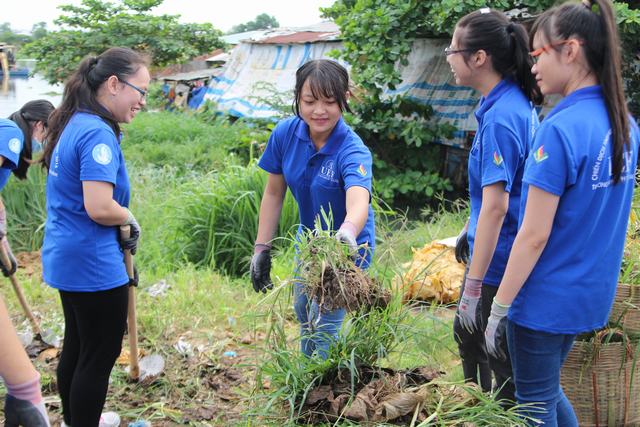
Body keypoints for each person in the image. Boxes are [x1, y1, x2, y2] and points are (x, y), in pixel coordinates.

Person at [484, 0, 639, 424]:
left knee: (532, 405)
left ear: (569, 50)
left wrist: (499, 307)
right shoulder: (624, 123)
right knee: (546, 392)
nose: (531, 65)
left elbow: (533, 236)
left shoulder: (559, 129)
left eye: (538, 54)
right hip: (589, 294)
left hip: (545, 300)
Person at [41, 47, 148, 427]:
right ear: (114, 84)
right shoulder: (97, 134)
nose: (142, 101)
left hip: (67, 253)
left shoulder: (74, 121)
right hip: (92, 262)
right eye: (141, 90)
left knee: (78, 346)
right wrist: (129, 217)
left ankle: (75, 420)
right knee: (99, 354)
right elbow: (100, 206)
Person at [250, 59, 375, 359]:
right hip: (309, 242)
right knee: (304, 309)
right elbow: (273, 192)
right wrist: (261, 248)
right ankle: (307, 377)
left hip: (348, 246)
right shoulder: (285, 134)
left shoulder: (352, 149)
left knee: (326, 323)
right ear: (297, 99)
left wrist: (346, 233)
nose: (319, 110)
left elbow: (359, 199)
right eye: (309, 101)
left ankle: (319, 390)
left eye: (330, 102)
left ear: (344, 100)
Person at [447, 8, 542, 403]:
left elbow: (497, 207)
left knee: (497, 365)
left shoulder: (502, 117)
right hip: (496, 250)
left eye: (454, 48)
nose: (449, 57)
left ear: (479, 57)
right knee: (475, 345)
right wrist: (468, 231)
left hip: (500, 262)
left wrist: (472, 288)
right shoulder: (508, 105)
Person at [1, 99, 54, 426]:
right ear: (38, 126)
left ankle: (20, 395)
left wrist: (3, 241)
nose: (45, 141)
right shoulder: (10, 133)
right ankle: (24, 395)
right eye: (48, 132)